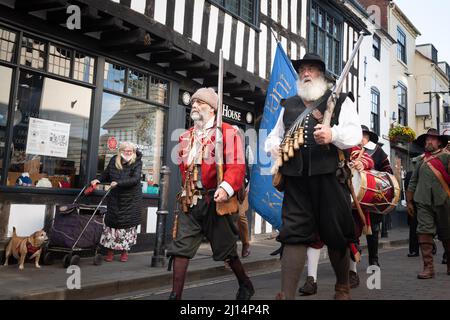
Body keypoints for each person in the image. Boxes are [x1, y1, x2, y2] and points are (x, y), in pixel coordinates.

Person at [265, 53, 362, 300]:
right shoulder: (289, 105)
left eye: (311, 69)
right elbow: (274, 136)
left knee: (336, 233)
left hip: (329, 177)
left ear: (322, 74)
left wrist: (332, 135)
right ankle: (286, 295)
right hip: (296, 180)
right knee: (293, 233)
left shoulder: (340, 101)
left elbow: (354, 134)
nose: (305, 73)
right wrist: (274, 147)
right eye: (302, 70)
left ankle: (342, 287)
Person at [166, 87, 254, 300]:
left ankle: (246, 285)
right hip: (191, 200)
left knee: (227, 251)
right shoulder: (186, 136)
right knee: (181, 248)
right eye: (193, 102)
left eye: (200, 103)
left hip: (215, 201)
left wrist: (225, 188)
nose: (194, 105)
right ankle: (174, 296)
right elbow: (184, 167)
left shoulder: (228, 132)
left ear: (213, 109)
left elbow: (237, 166)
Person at [406, 128, 450, 279]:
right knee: (424, 231)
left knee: (447, 233)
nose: (428, 141)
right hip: (423, 201)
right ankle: (428, 267)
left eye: (432, 139)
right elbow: (413, 181)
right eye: (427, 139)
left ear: (439, 142)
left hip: (444, 200)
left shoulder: (447, 157)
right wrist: (410, 201)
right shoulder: (420, 160)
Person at [91, 141, 142, 262]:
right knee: (112, 224)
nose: (128, 153)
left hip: (131, 199)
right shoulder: (114, 160)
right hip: (115, 197)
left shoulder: (137, 162)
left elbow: (135, 179)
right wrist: (98, 180)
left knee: (127, 226)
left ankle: (125, 252)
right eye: (126, 151)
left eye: (131, 151)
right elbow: (106, 174)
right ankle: (110, 252)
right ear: (120, 151)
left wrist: (118, 183)